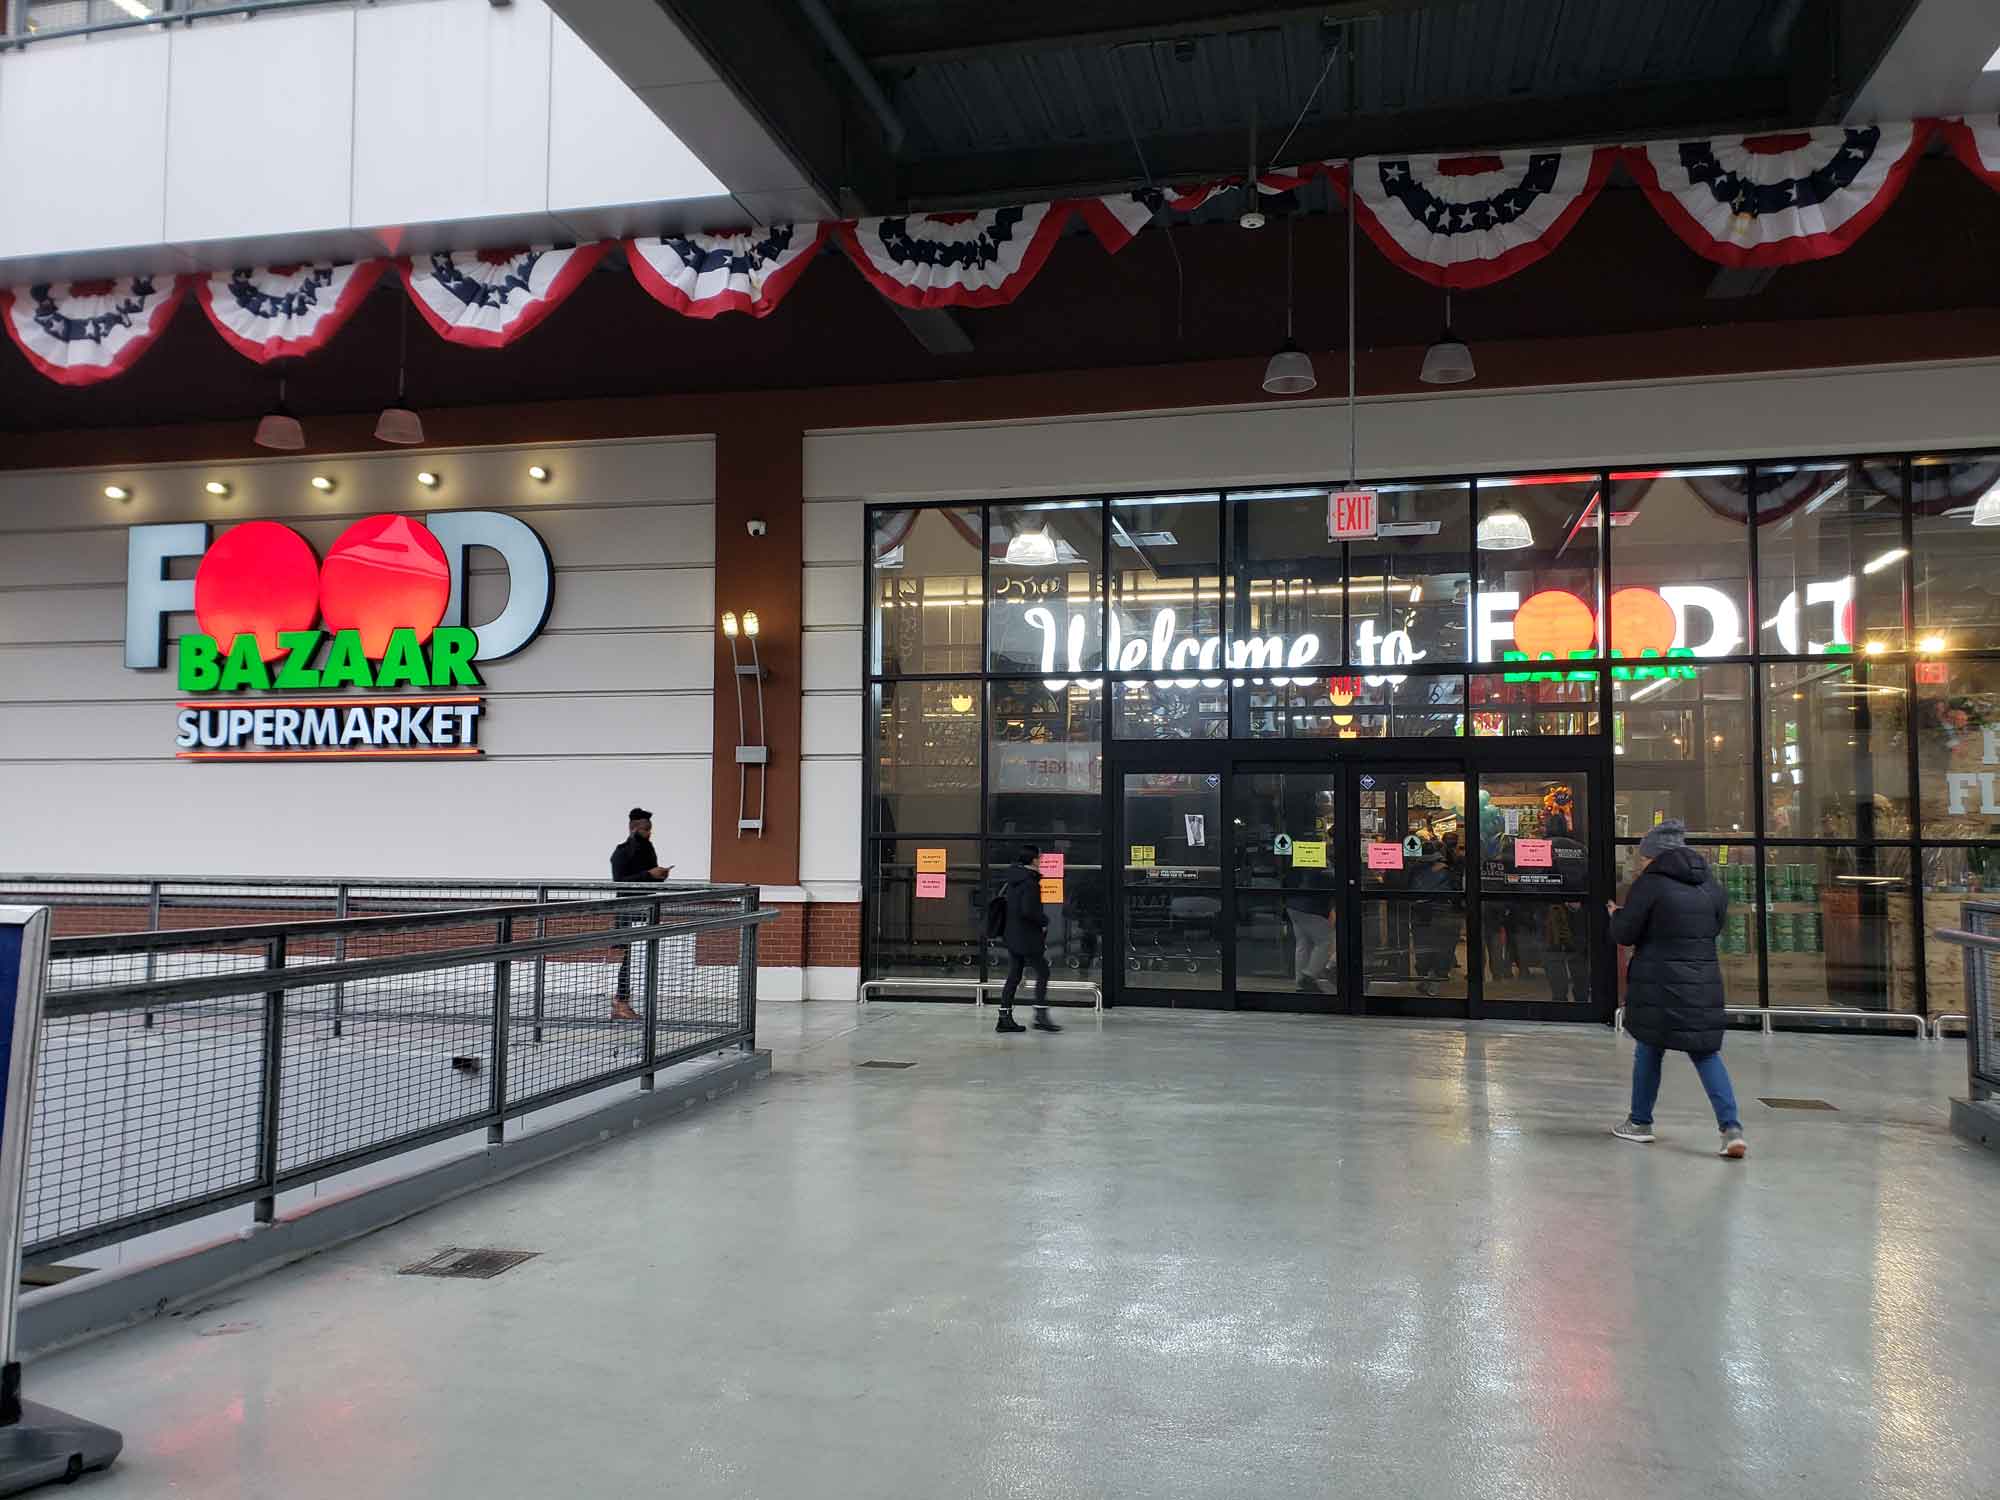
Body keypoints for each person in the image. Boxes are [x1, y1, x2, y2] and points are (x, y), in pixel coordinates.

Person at [1608, 820, 1747, 1158]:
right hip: (1701, 981)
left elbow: (1625, 933)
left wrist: (1616, 915)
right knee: (1705, 1053)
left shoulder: (1650, 885)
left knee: (1649, 1049)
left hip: (1658, 982)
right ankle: (1731, 1129)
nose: (1640, 862)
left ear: (1654, 856)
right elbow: (1714, 927)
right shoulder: (1710, 884)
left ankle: (1640, 1122)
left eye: (1643, 856)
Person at [607, 807, 671, 1022]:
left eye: (650, 829)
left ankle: (623, 1001)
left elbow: (649, 878)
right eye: (645, 829)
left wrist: (660, 875)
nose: (648, 833)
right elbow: (621, 882)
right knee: (628, 958)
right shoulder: (621, 852)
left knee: (640, 958)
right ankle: (620, 1001)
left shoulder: (648, 849)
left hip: (646, 909)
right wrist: (648, 874)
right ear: (633, 828)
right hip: (628, 910)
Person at [994, 845, 1060, 1036]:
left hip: (1013, 934)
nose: (1042, 861)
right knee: (1043, 971)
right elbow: (1028, 910)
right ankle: (1040, 1015)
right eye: (1040, 858)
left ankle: (1004, 1017)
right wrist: (1044, 921)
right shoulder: (1030, 882)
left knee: (1014, 975)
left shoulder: (1014, 879)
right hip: (1027, 936)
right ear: (1033, 860)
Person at [1285, 865, 1336, 993]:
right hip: (1310, 908)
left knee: (1303, 944)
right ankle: (1309, 976)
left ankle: (1300, 982)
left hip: (1294, 905)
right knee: (1325, 941)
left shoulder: (1307, 866)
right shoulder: (1324, 870)